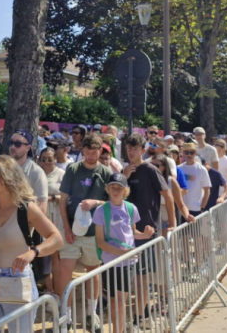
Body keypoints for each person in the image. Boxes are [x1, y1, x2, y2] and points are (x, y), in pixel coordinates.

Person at [0, 156, 63, 332]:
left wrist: (34, 252)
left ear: (8, 177)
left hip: (18, 281)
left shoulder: (27, 208)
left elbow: (56, 238)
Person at [57, 134, 112, 331]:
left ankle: (92, 313)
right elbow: (63, 200)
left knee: (93, 272)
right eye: (86, 152)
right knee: (65, 271)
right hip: (72, 230)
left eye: (93, 152)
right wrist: (66, 227)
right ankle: (66, 316)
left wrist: (95, 202)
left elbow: (113, 202)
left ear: (100, 151)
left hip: (94, 231)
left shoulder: (106, 172)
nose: (90, 156)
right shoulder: (73, 169)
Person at [124, 133, 178, 328]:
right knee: (133, 279)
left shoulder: (150, 169)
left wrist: (171, 223)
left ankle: (140, 319)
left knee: (142, 278)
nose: (131, 152)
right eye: (129, 148)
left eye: (135, 149)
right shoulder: (125, 170)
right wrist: (125, 177)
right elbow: (117, 196)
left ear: (143, 150)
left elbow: (168, 195)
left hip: (147, 230)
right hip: (126, 232)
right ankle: (143, 314)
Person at [93, 173, 154, 333]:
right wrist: (120, 252)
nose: (115, 191)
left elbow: (133, 233)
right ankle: (117, 329)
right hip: (110, 262)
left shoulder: (130, 208)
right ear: (107, 189)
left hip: (127, 263)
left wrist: (145, 235)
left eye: (119, 188)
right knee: (113, 301)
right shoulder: (101, 211)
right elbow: (100, 241)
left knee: (120, 301)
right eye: (112, 187)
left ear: (125, 190)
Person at [38, 146, 65, 296]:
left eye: (50, 159)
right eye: (44, 159)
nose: (47, 162)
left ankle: (58, 291)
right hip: (39, 218)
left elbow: (68, 197)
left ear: (55, 159)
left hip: (56, 217)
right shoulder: (36, 174)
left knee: (55, 255)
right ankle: (51, 289)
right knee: (42, 255)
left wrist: (53, 198)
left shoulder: (62, 174)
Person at [150, 155, 192, 236]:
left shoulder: (171, 182)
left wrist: (187, 216)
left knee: (170, 247)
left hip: (168, 224)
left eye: (156, 166)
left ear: (164, 167)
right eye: (151, 165)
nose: (153, 168)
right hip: (153, 225)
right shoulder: (148, 181)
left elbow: (181, 205)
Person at [9, 130, 48, 213]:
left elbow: (42, 207)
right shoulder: (3, 169)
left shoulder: (37, 172)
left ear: (28, 148)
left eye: (17, 144)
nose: (12, 147)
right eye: (11, 142)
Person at [179, 142, 211, 219]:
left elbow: (207, 190)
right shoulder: (179, 168)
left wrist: (202, 207)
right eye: (186, 152)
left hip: (196, 209)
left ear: (195, 153)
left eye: (192, 152)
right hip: (181, 208)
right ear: (183, 153)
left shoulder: (202, 169)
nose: (189, 155)